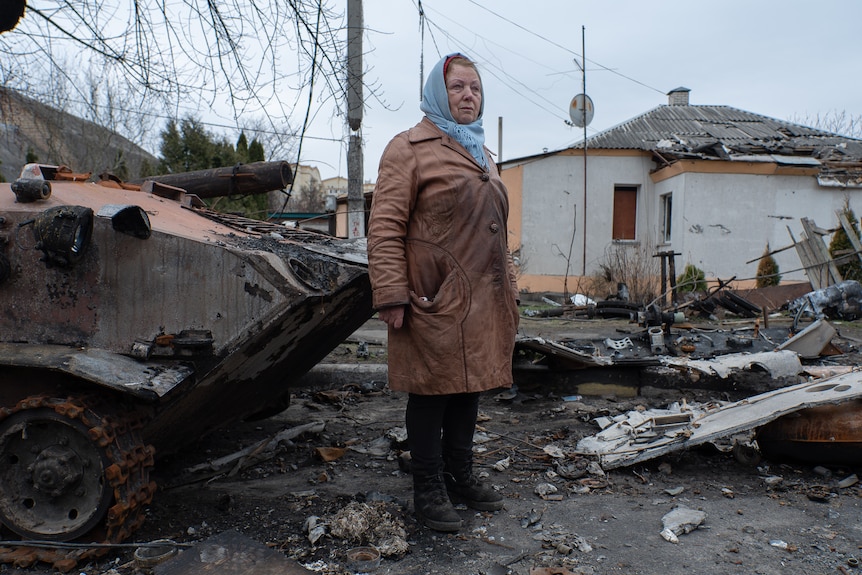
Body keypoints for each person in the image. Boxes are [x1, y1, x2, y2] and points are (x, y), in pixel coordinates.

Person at [366, 53, 520, 532]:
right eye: (458, 87)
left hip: (484, 298)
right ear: (439, 92)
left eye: (475, 87)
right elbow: (385, 226)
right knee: (432, 391)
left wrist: (510, 291)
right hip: (436, 296)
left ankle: (461, 475)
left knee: (470, 389)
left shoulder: (483, 154)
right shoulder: (408, 148)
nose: (468, 95)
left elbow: (498, 230)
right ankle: (427, 487)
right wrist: (390, 292)